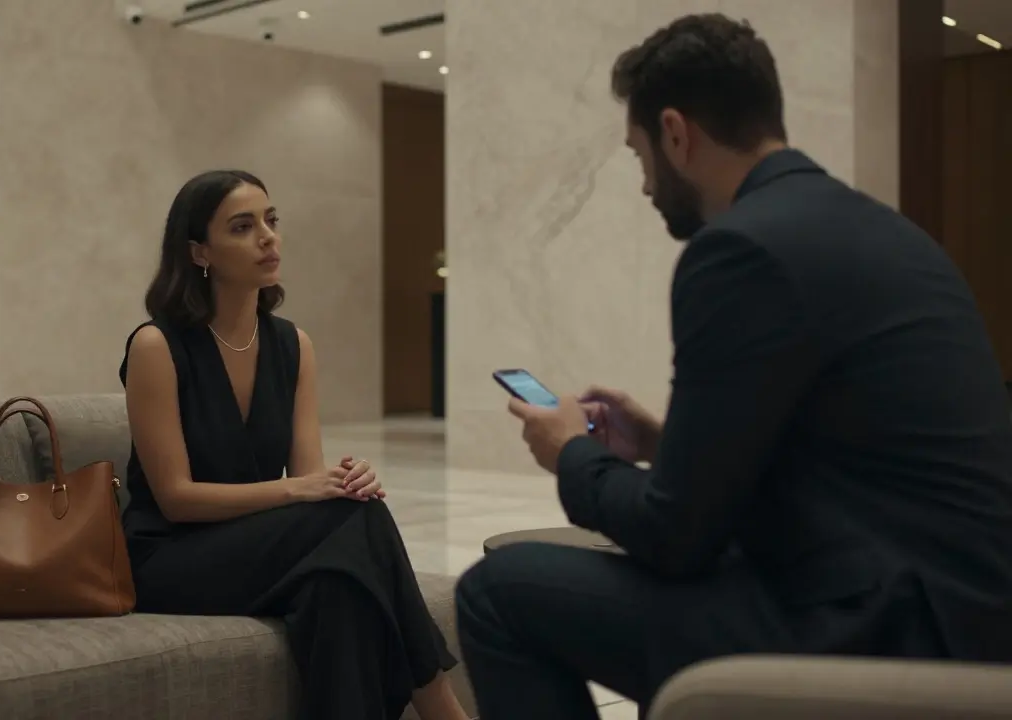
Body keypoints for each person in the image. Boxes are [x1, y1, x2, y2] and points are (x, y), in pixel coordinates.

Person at [455, 13, 1012, 720]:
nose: (644, 183)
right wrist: (664, 444)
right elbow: (842, 447)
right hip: (961, 612)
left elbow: (674, 538)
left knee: (497, 591)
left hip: (879, 629)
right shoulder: (886, 231)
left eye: (638, 155)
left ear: (676, 133)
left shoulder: (742, 251)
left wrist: (568, 452)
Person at [120, 169, 468, 720]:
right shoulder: (156, 346)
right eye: (242, 226)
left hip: (256, 546)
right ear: (199, 252)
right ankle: (444, 709)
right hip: (169, 557)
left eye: (271, 220)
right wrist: (299, 492)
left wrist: (343, 483)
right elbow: (176, 499)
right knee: (351, 528)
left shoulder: (293, 345)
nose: (268, 237)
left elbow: (312, 481)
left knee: (340, 584)